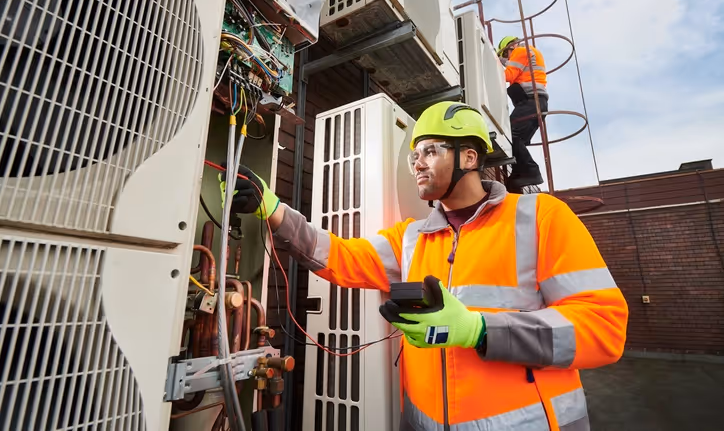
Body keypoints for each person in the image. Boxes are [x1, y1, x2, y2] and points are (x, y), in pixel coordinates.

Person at [224, 101, 629, 431]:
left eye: (431, 150)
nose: (417, 162)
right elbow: (342, 256)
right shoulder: (412, 236)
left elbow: (603, 328)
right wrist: (273, 210)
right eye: (414, 154)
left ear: (470, 156)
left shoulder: (540, 217)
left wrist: (481, 330)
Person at [497, 35, 549, 191]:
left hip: (531, 102)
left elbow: (508, 75)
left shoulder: (520, 50)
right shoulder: (528, 53)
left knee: (510, 133)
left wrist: (494, 64)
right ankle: (518, 176)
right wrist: (500, 60)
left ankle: (531, 171)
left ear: (509, 47)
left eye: (505, 54)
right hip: (536, 103)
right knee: (517, 141)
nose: (508, 58)